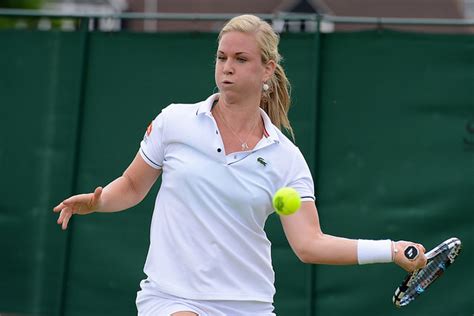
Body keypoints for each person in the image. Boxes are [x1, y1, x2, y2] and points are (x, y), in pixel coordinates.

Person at [53, 14, 427, 316]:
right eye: (222, 57)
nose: (227, 67)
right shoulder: (174, 122)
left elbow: (310, 244)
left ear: (266, 71)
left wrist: (391, 250)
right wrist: (98, 202)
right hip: (171, 298)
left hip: (249, 304)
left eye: (240, 59)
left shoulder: (285, 158)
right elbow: (133, 186)